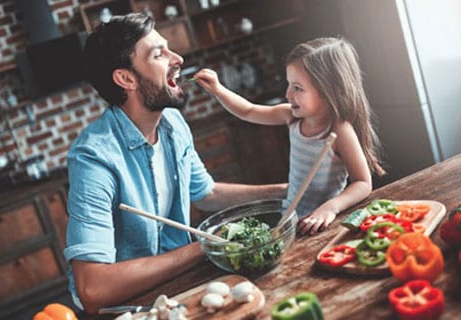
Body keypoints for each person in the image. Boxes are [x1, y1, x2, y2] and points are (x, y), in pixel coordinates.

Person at [64, 13, 287, 314]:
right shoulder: (94, 158)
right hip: (128, 311)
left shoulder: (171, 122)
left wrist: (287, 190)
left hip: (180, 288)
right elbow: (93, 288)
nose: (178, 58)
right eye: (158, 54)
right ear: (126, 78)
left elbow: (205, 193)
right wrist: (206, 245)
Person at [194, 37, 385, 236]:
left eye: (298, 88)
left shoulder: (339, 130)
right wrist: (218, 89)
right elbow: (248, 111)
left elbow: (362, 183)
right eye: (289, 85)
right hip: (291, 220)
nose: (288, 94)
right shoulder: (291, 117)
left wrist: (330, 208)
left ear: (330, 91)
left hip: (321, 225)